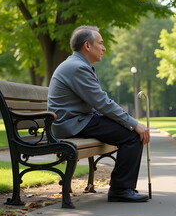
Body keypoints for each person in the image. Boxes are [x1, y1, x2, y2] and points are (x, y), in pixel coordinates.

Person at [48, 25, 150, 202]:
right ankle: (120, 189)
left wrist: (126, 122)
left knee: (129, 130)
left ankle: (123, 187)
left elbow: (98, 104)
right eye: (100, 43)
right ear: (87, 46)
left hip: (76, 121)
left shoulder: (77, 64)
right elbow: (102, 103)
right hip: (71, 124)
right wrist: (134, 124)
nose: (103, 48)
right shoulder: (77, 67)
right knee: (133, 135)